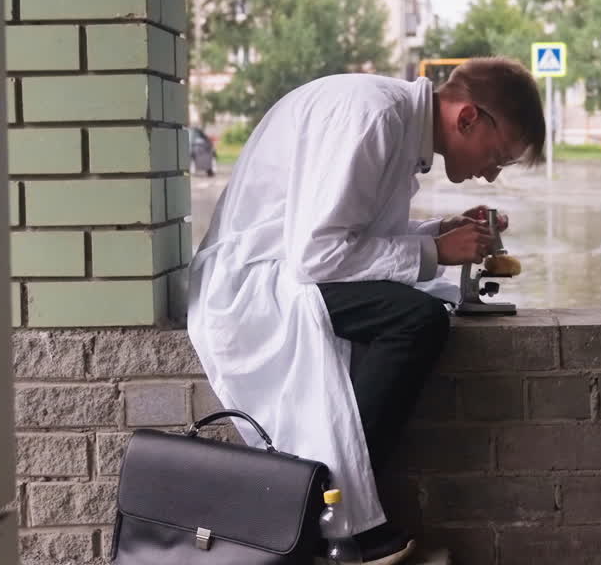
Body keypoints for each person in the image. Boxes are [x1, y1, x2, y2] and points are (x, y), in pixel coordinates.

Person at [185, 57, 546, 565]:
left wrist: (438, 233)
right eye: (499, 157)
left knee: (419, 313)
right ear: (468, 118)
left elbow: (357, 239)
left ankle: (335, 516)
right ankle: (314, 510)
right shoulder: (374, 117)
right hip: (256, 278)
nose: (491, 174)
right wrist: (436, 252)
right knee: (416, 321)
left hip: (289, 268)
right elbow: (318, 255)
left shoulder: (393, 120)